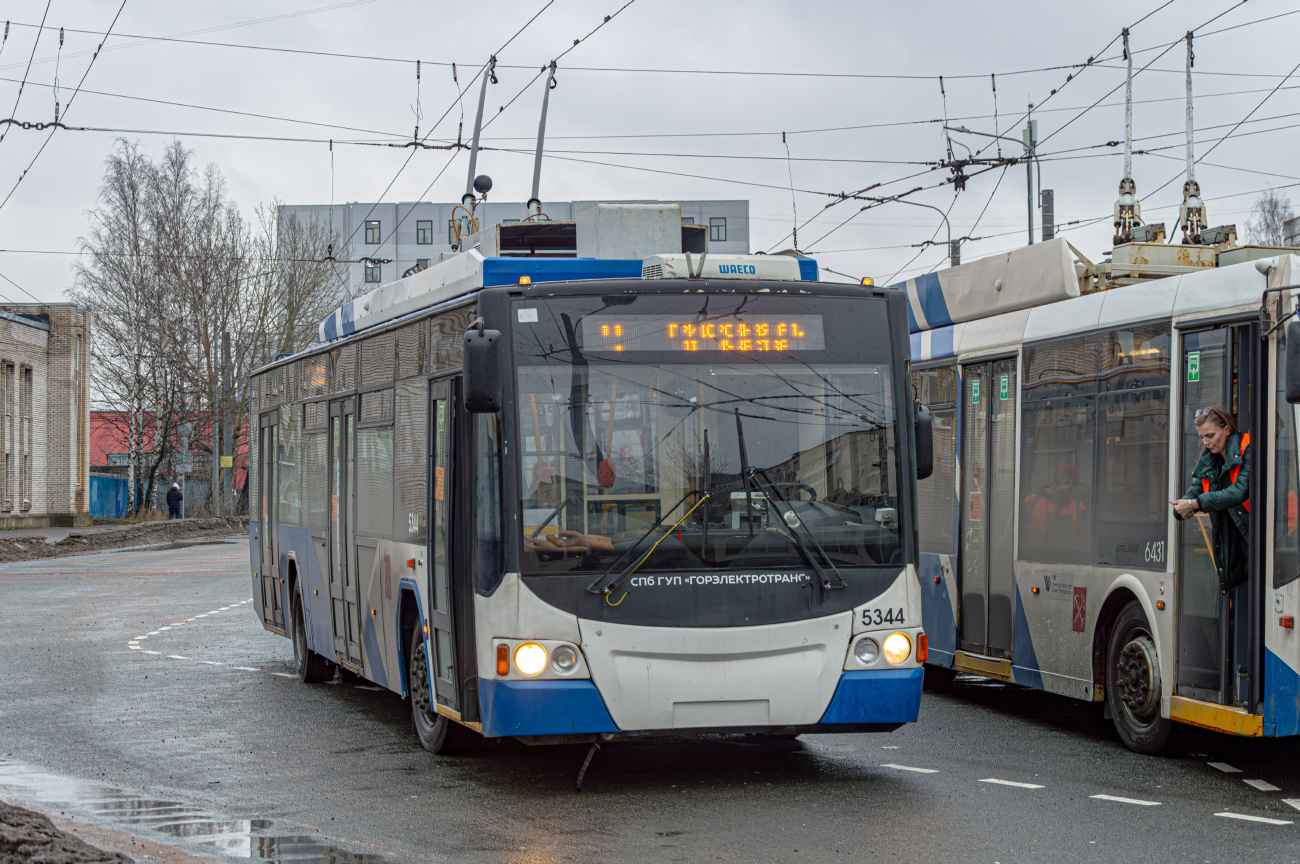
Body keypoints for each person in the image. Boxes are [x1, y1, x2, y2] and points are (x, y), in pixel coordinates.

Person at [1173, 406, 1250, 594]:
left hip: (1251, 536)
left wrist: (1196, 504)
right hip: (1229, 540)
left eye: (1210, 435)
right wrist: (1182, 508)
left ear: (1227, 429)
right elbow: (1195, 489)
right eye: (1202, 437)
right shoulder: (1209, 458)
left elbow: (1239, 492)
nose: (1206, 442)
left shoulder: (1248, 448)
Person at [1023, 463, 1087, 544]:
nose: (1069, 488)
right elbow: (1013, 535)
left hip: (1068, 551)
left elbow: (1084, 540)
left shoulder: (1079, 506)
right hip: (1036, 551)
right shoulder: (1031, 501)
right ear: (1055, 481)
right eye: (1066, 483)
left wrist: (1074, 540)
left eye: (1073, 484)